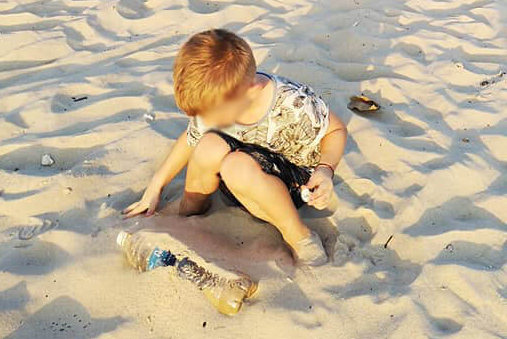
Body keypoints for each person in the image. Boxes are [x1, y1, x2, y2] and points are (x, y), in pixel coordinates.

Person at [123, 29, 347, 267]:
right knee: (208, 145)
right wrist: (156, 185)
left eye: (214, 114)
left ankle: (298, 234)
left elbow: (336, 131)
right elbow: (191, 139)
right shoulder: (220, 98)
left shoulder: (294, 104)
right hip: (244, 166)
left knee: (235, 165)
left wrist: (325, 170)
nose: (208, 119)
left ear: (250, 91)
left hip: (290, 184)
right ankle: (191, 210)